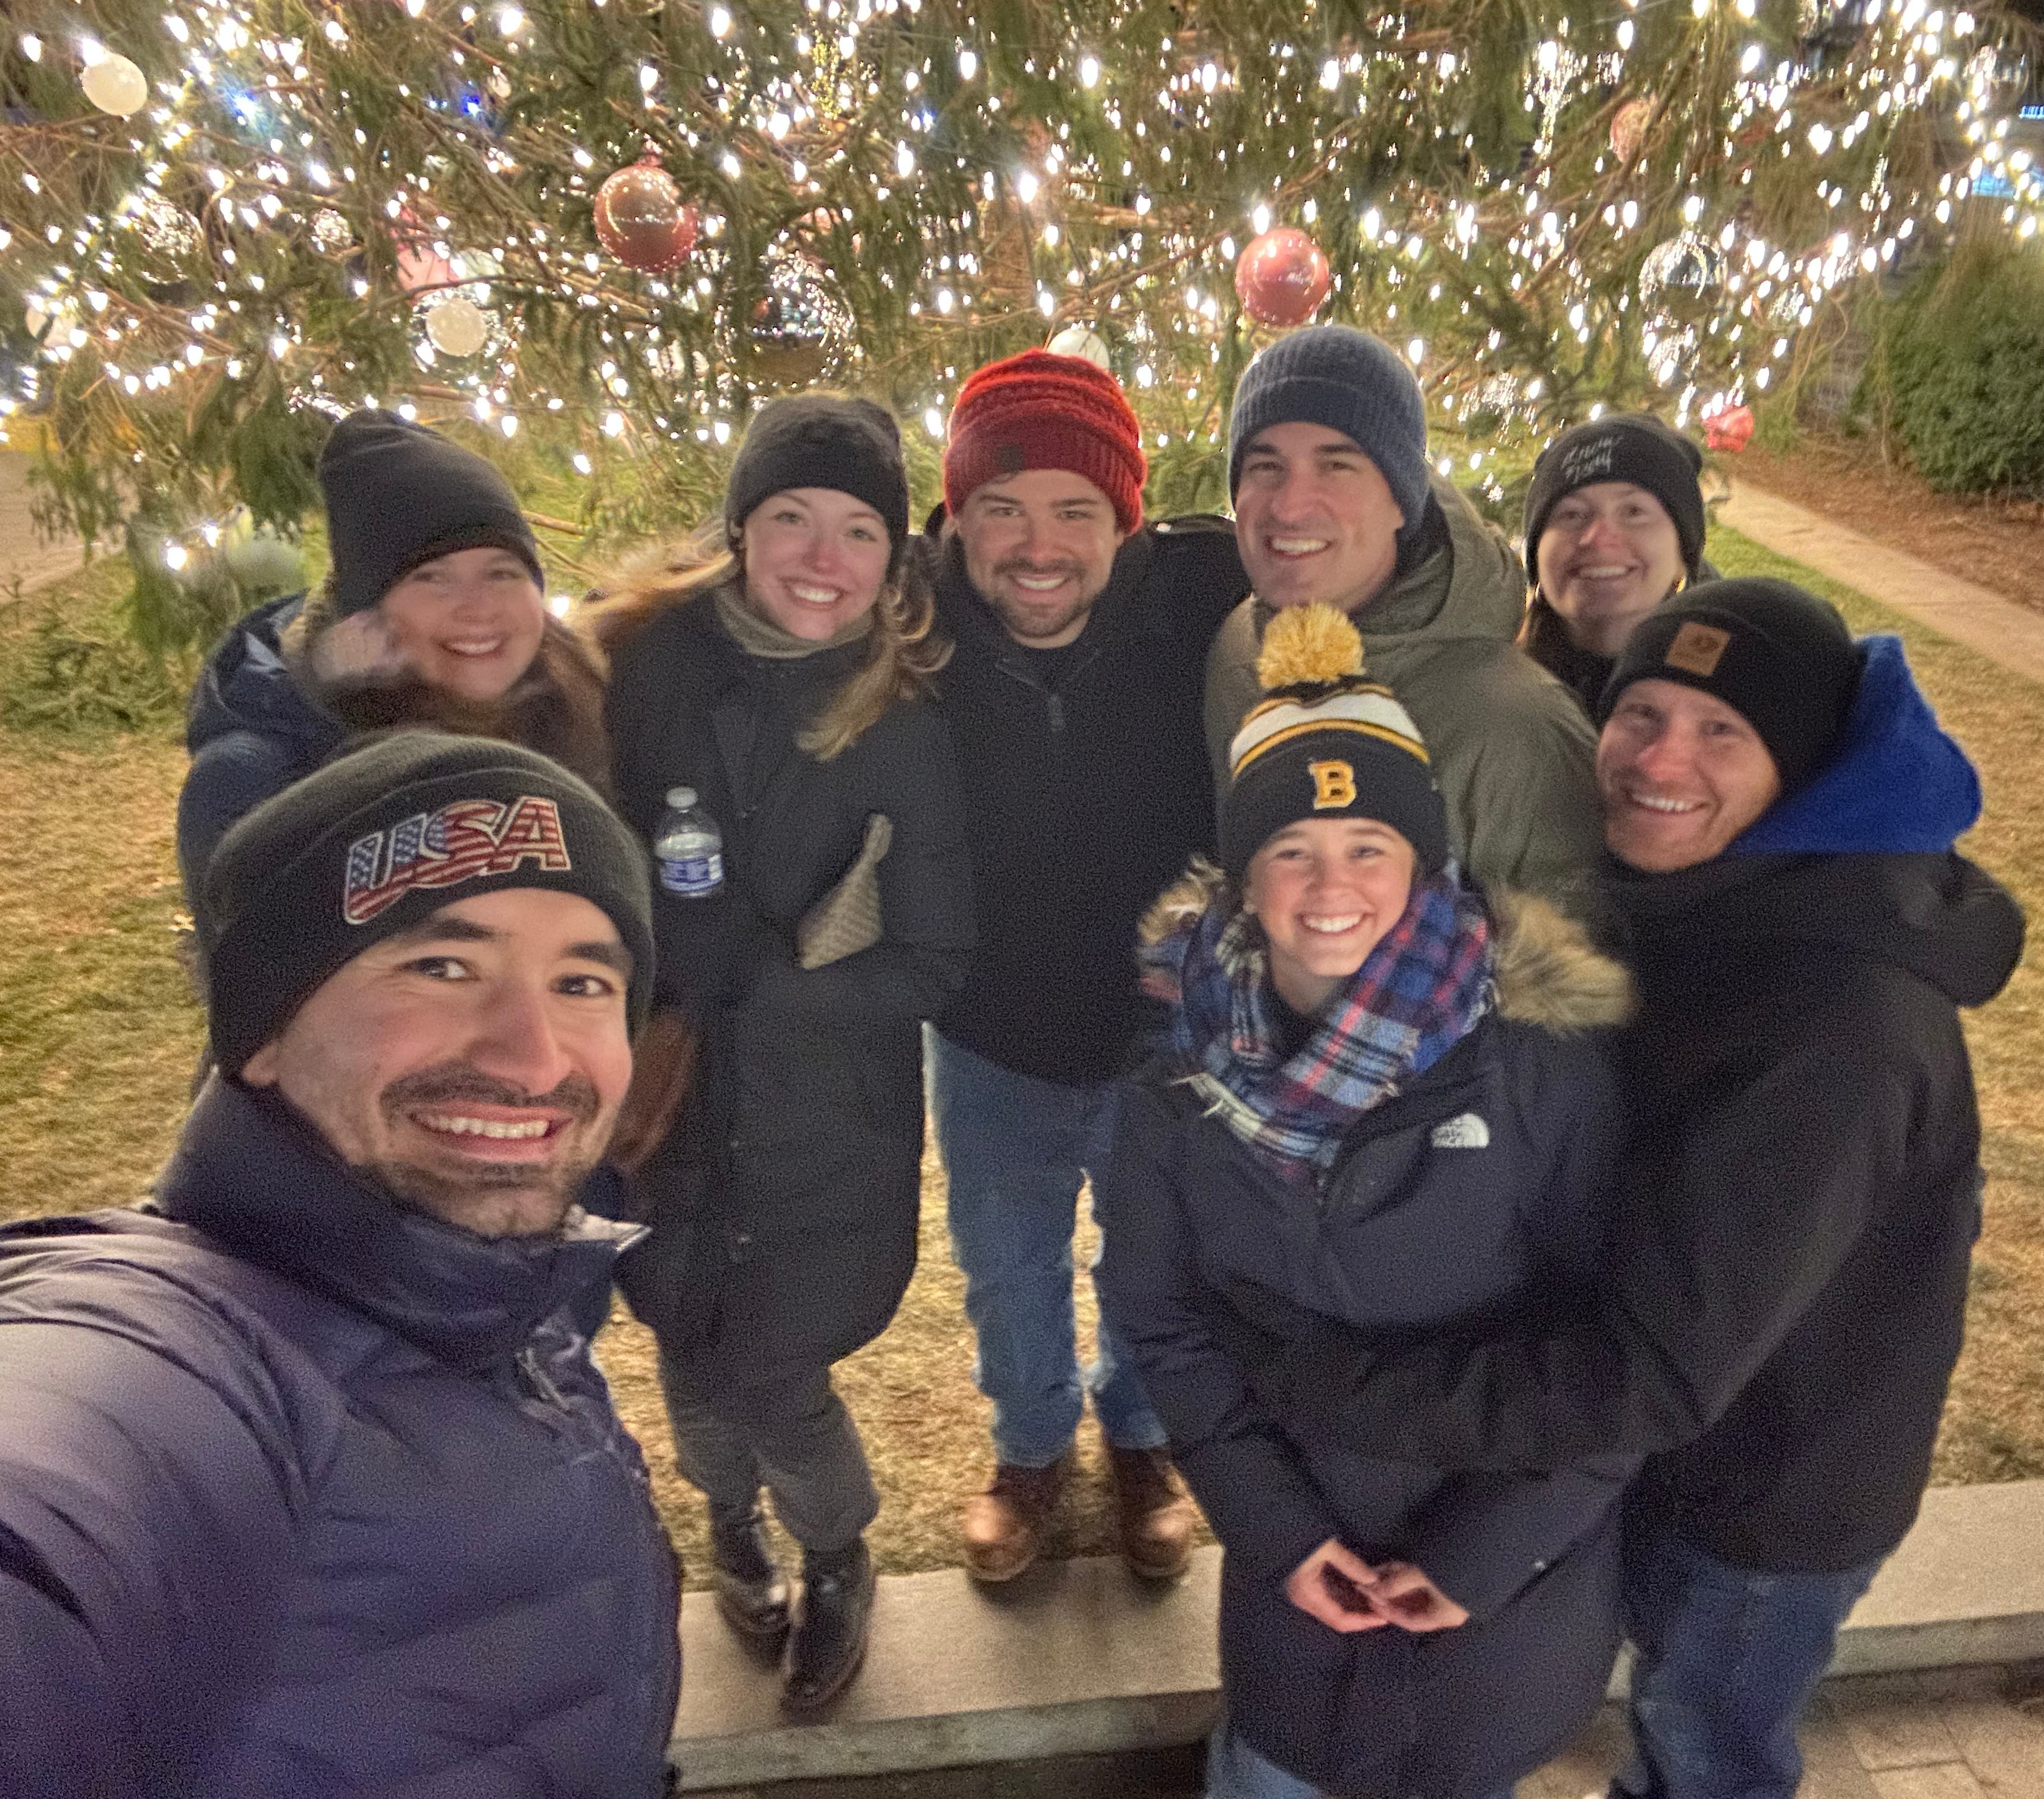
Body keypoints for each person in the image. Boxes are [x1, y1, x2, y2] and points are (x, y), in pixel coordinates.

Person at [1220, 579, 2025, 1799]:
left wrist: (1325, 1384)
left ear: (1799, 768)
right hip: (1659, 1451)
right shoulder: (1709, 897)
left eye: (1720, 733)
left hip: (1763, 1499)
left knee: (1704, 1749)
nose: (1659, 760)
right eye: (1641, 712)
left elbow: (1650, 1368)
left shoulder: (1836, 1032)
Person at [0, 732, 680, 1798]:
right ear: (262, 1032)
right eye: (441, 966)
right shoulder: (161, 1359)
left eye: (583, 982)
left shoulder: (497, 1307)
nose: (534, 1055)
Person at [1100, 603, 1638, 1799]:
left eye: (1367, 845)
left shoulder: (1539, 1067)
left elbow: (1619, 1352)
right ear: (1245, 874)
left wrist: (1479, 1557)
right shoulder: (1174, 1079)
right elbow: (1159, 1313)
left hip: (1499, 1613)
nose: (1330, 885)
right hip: (1293, 1603)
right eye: (1291, 847)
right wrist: (1280, 1532)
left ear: (1424, 862)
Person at [587, 394, 974, 1712]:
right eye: (792, 518)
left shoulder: (898, 721)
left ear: (892, 556)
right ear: (740, 527)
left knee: (775, 1366)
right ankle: (728, 1521)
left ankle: (837, 1548)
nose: (822, 557)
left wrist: (758, 993)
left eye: (858, 530)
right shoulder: (643, 668)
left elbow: (934, 957)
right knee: (682, 1341)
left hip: (821, 1117)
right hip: (665, 1105)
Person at [912, 347, 1242, 1582]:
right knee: (1007, 1265)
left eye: (1073, 509)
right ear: (958, 516)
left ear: (1125, 519)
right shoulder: (909, 623)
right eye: (1001, 508)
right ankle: (1031, 1446)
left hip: (1165, 1030)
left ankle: (1142, 1437)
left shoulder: (1202, 605)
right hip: (991, 1030)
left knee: (1159, 1255)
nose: (1037, 546)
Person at [1203, 324, 1602, 917]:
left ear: (1401, 500)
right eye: (1265, 466)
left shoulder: (1515, 726)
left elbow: (1573, 961)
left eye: (1336, 466)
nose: (1289, 505)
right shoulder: (1239, 646)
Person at [178, 408, 609, 917]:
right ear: (367, 614)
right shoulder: (257, 779)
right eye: (433, 578)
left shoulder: (584, 702)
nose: (479, 608)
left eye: (502, 572)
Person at [1519, 413, 1713, 722]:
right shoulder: (1488, 697)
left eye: (1634, 512)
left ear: (1682, 555)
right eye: (1572, 514)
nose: (1597, 538)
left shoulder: (1743, 698)